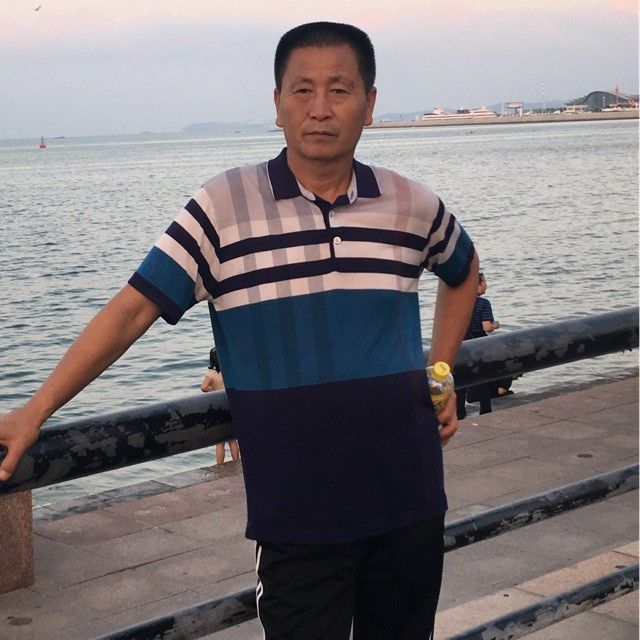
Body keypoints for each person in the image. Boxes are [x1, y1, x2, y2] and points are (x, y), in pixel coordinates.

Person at [0, 22, 479, 639]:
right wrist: (35, 410)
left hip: (410, 497)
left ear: (370, 103)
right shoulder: (224, 207)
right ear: (277, 104)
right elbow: (132, 310)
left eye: (340, 89)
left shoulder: (410, 204)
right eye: (302, 90)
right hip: (297, 518)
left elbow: (463, 272)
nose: (321, 108)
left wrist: (440, 371)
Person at [458, 272, 499, 418]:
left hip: (462, 343)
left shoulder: (460, 302)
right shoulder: (483, 303)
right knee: (482, 378)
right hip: (479, 343)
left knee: (461, 378)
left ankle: (459, 412)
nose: (486, 285)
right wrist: (496, 325)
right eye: (484, 282)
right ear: (477, 285)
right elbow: (486, 327)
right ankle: (485, 410)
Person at [201, 347, 240, 464]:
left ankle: (220, 465)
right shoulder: (228, 372)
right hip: (229, 405)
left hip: (218, 407)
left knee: (220, 441)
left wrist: (212, 391)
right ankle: (236, 462)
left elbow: (203, 387)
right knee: (232, 439)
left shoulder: (211, 374)